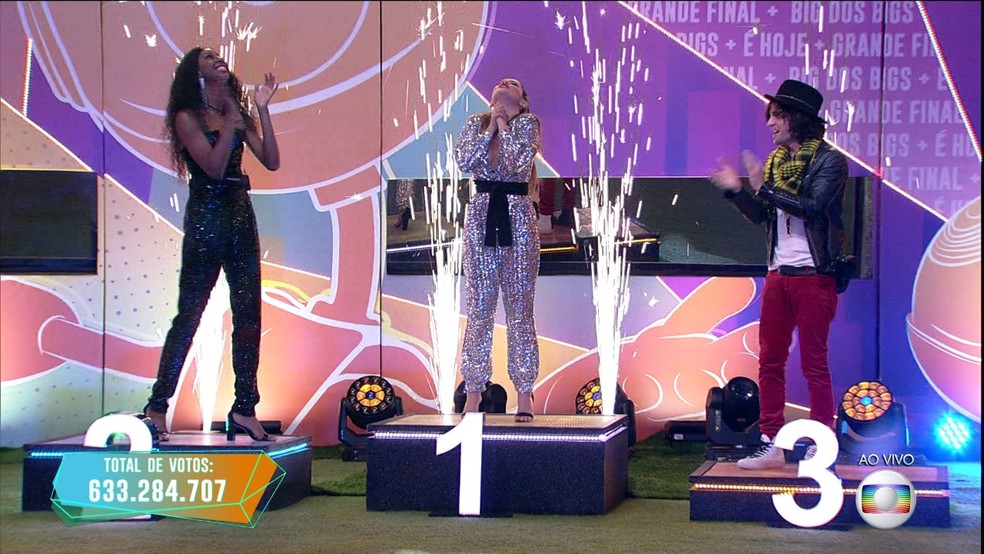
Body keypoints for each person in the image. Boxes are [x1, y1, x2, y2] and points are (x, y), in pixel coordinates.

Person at [709, 79, 848, 469]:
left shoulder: (829, 161)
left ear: (797, 119)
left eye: (778, 116)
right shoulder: (774, 165)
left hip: (813, 274)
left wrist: (762, 188)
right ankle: (771, 442)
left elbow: (812, 206)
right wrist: (737, 191)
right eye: (770, 116)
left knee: (814, 362)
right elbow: (763, 216)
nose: (770, 123)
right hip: (778, 274)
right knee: (770, 360)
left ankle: (822, 442)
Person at [143, 46, 280, 442]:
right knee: (190, 314)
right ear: (195, 71)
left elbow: (271, 160)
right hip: (207, 216)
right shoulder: (187, 117)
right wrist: (232, 127)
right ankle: (157, 405)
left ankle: (244, 408)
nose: (218, 58)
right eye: (208, 57)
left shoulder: (234, 110)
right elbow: (214, 167)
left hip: (240, 215)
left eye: (219, 55)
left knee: (249, 317)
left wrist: (261, 111)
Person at [454, 78, 542, 422]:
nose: (505, 82)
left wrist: (504, 126)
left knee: (520, 310)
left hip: (517, 218)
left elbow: (519, 162)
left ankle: (524, 392)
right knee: (479, 309)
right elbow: (465, 160)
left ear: (523, 101)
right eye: (501, 82)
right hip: (481, 217)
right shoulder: (475, 124)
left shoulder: (528, 124)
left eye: (514, 84)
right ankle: (473, 392)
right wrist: (491, 125)